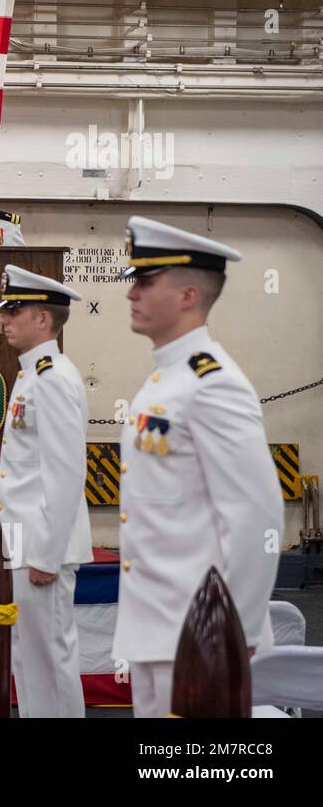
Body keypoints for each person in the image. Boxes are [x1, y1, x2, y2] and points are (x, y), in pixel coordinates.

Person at [113, 216, 283, 717]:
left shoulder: (213, 383)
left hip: (201, 636)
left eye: (145, 281)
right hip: (159, 627)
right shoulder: (166, 378)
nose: (131, 293)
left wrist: (237, 633)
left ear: (188, 295)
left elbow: (256, 516)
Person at [0, 264, 93, 717]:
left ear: (44, 319)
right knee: (31, 659)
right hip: (27, 542)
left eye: (15, 309)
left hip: (41, 548)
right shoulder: (33, 373)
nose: (4, 318)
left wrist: (47, 556)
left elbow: (66, 471)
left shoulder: (52, 377)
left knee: (49, 661)